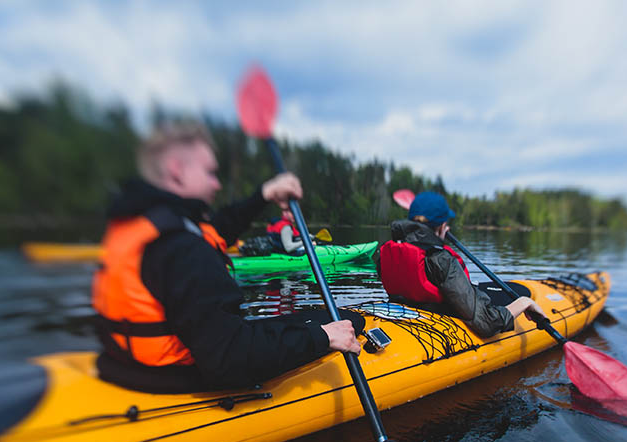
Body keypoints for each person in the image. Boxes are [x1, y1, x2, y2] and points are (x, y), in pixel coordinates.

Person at [91, 121, 363, 393]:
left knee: (329, 317)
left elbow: (215, 230)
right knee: (346, 320)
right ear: (176, 170)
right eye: (210, 172)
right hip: (176, 374)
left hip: (126, 363)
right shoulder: (183, 248)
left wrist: (263, 196)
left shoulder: (146, 222)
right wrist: (323, 336)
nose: (217, 183)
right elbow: (229, 359)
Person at [377, 191, 546, 338]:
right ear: (443, 225)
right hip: (441, 323)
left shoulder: (386, 251)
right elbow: (486, 323)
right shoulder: (441, 259)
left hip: (407, 319)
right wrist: (525, 302)